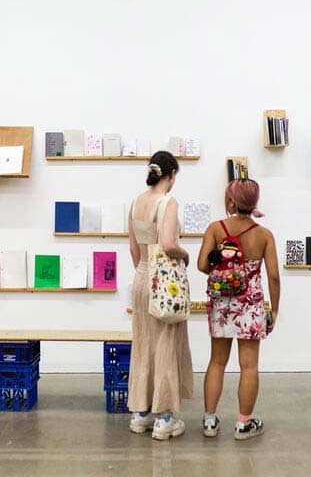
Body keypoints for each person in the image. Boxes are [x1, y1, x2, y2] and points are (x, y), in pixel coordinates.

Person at [197, 178, 280, 441]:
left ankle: (210, 421)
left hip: (222, 304)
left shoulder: (215, 228)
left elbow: (201, 265)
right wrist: (274, 310)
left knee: (217, 361)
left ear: (231, 201)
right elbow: (274, 276)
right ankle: (244, 424)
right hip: (251, 306)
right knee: (249, 366)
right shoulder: (264, 235)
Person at [127, 151, 194, 441]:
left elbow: (132, 248)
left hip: (141, 277)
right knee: (166, 345)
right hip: (164, 284)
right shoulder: (168, 202)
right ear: (172, 175)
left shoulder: (136, 202)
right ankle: (164, 418)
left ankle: (140, 414)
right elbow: (168, 244)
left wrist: (144, 273)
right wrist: (185, 254)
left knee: (143, 345)